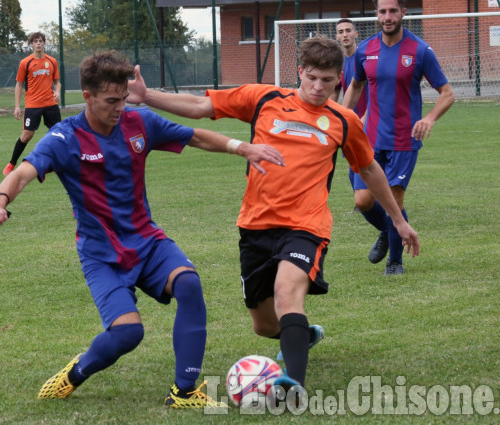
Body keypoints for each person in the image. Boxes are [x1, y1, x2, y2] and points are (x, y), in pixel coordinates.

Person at [0, 50, 284, 408]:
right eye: (111, 100)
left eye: (124, 99)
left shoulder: (139, 122)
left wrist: (242, 147)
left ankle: (184, 392)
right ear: (87, 96)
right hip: (101, 254)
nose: (119, 107)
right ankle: (76, 373)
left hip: (147, 240)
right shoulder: (65, 138)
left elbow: (195, 136)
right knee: (128, 334)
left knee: (189, 283)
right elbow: (23, 172)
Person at [128, 35, 420, 393]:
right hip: (255, 224)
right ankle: (302, 335)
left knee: (287, 295)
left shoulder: (343, 120)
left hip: (306, 225)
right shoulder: (263, 98)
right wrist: (147, 97)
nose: (318, 87)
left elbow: (370, 169)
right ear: (300, 71)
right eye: (311, 77)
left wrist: (398, 220)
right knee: (265, 325)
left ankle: (292, 385)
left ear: (338, 80)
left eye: (327, 81)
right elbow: (199, 105)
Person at [343, 0, 455, 275]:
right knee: (363, 201)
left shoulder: (420, 50)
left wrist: (428, 118)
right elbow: (356, 85)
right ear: (376, 14)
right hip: (369, 139)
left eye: (393, 11)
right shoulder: (365, 50)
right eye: (382, 11)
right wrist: (343, 119)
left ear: (404, 12)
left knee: (394, 200)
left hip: (404, 141)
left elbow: (448, 93)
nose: (388, 17)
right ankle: (387, 229)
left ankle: (395, 263)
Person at [3, 32, 62, 176]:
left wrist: (58, 92)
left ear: (44, 43)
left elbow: (57, 82)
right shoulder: (25, 62)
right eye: (35, 41)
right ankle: (12, 163)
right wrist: (17, 106)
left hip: (50, 103)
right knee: (27, 135)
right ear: (31, 44)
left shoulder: (52, 61)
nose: (38, 43)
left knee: (58, 133)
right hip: (32, 105)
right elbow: (19, 85)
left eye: (41, 41)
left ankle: (60, 163)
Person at [334, 18, 370, 203]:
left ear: (356, 34)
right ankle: (364, 202)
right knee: (353, 164)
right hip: (349, 121)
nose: (345, 34)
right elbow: (335, 90)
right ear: (337, 37)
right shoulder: (339, 63)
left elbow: (375, 92)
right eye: (341, 32)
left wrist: (366, 116)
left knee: (368, 163)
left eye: (348, 30)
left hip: (368, 120)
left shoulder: (363, 58)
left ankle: (373, 202)